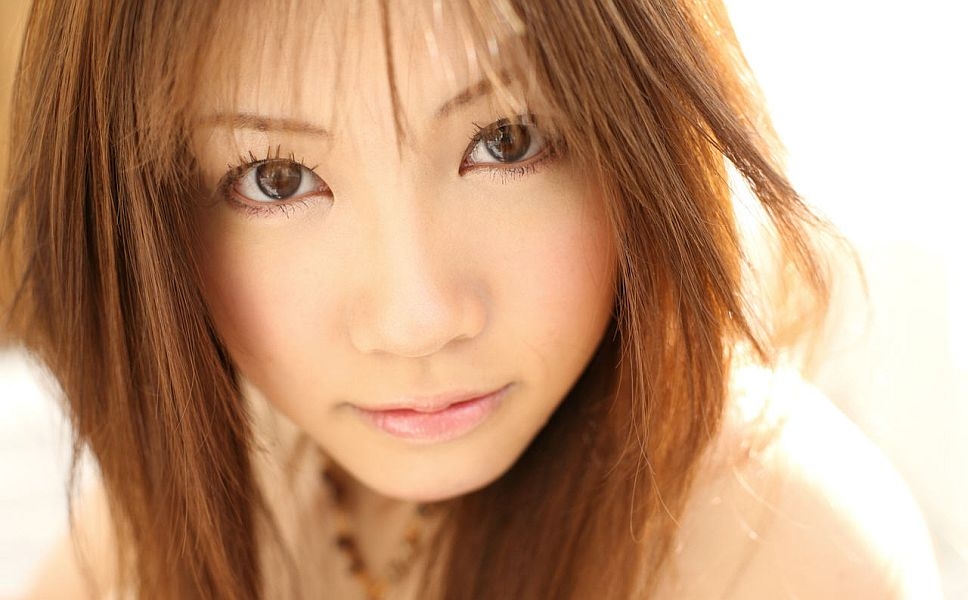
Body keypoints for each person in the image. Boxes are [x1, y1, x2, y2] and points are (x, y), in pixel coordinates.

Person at [0, 0, 942, 598]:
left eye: (506, 141)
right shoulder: (215, 483)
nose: (416, 319)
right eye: (277, 179)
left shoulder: (788, 549)